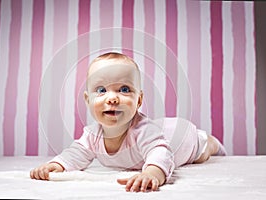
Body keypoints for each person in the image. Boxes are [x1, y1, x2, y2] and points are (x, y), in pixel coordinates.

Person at [30, 52, 226, 192]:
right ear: (88, 100)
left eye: (124, 89)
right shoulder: (92, 135)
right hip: (162, 129)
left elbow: (160, 152)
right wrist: (56, 165)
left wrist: (152, 173)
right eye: (101, 90)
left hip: (183, 138)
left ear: (138, 100)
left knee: (202, 151)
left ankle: (208, 140)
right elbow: (75, 154)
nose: (112, 98)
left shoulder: (142, 130)